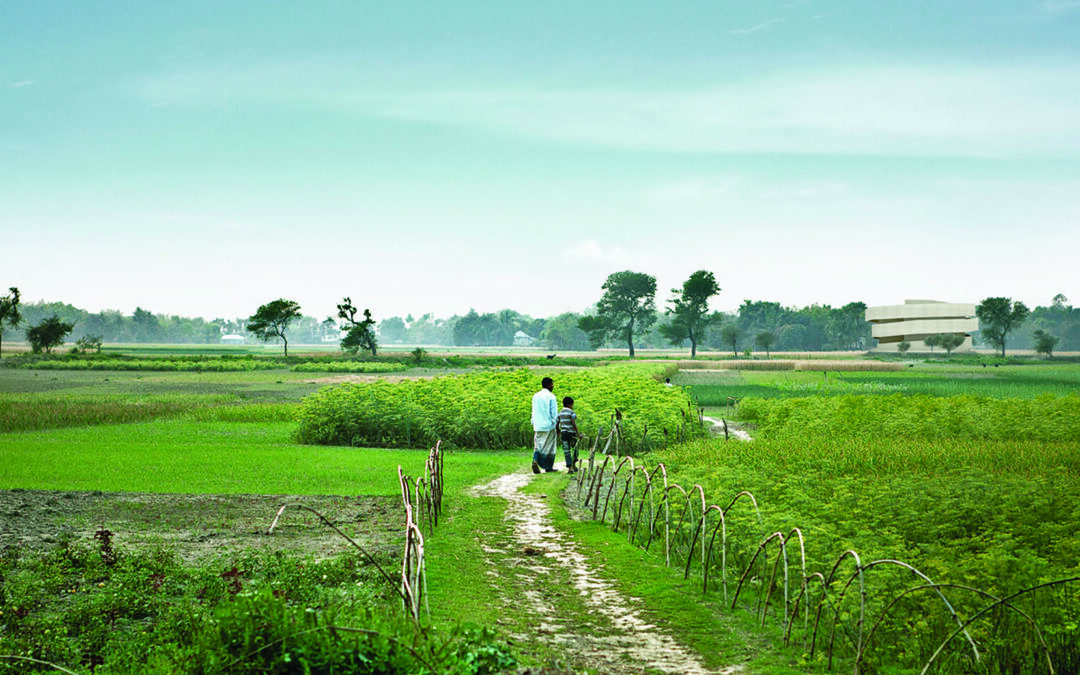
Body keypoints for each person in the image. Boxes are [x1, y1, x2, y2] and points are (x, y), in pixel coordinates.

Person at [531, 376, 558, 473]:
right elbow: (554, 413)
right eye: (552, 384)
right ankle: (548, 467)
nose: (553, 386)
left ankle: (535, 459)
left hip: (537, 424)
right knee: (549, 446)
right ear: (548, 385)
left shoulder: (535, 396)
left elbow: (533, 410)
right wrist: (556, 424)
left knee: (538, 445)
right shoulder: (551, 396)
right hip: (548, 425)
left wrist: (533, 421)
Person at [556, 396, 583, 472]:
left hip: (563, 434)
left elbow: (557, 424)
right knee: (574, 449)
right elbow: (573, 423)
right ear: (569, 404)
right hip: (571, 433)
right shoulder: (571, 412)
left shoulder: (560, 413)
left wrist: (558, 431)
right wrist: (578, 434)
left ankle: (570, 468)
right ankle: (574, 465)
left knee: (566, 450)